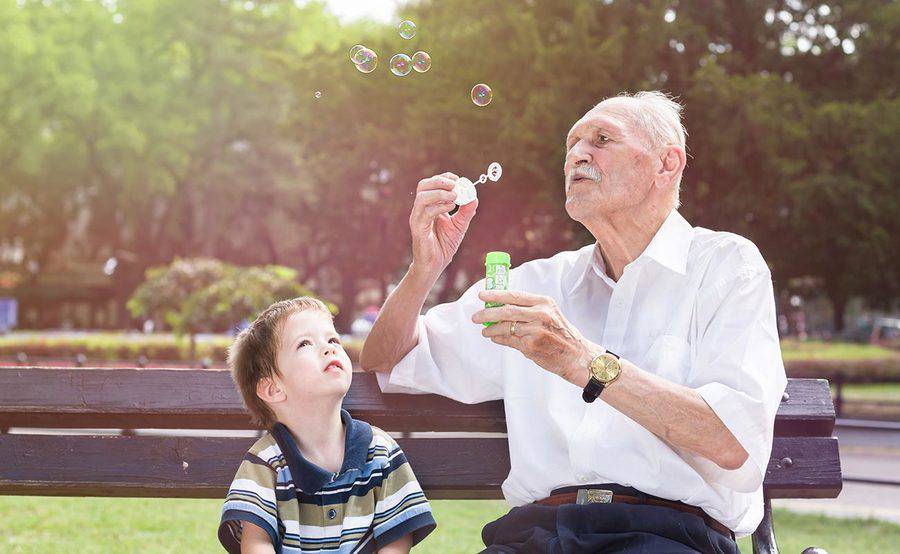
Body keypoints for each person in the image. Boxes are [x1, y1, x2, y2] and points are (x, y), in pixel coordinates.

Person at [360, 91, 787, 553]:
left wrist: (582, 360)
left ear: (667, 164)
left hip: (669, 536)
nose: (578, 155)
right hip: (536, 535)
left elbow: (733, 441)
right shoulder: (537, 284)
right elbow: (387, 359)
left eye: (602, 139)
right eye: (572, 144)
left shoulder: (725, 266)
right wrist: (424, 268)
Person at [219, 297, 436, 553]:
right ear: (273, 388)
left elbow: (396, 541)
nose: (329, 348)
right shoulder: (266, 461)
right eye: (304, 344)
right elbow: (256, 542)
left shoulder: (379, 450)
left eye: (333, 340)